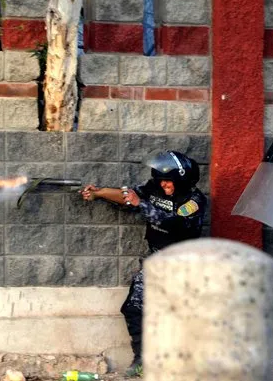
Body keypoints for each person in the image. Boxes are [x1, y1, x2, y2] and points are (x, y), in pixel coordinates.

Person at [81, 150, 207, 376]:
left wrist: (142, 204)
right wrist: (100, 193)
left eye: (170, 182)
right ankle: (142, 359)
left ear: (183, 180)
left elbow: (173, 222)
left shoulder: (194, 201)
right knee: (132, 308)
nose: (165, 186)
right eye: (163, 181)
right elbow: (129, 195)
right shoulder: (154, 187)